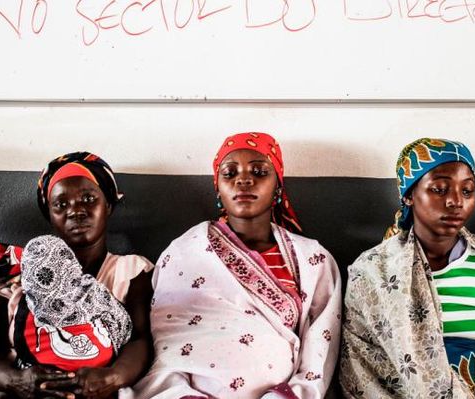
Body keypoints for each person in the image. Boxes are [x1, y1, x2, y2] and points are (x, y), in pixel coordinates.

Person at [128, 132, 341, 399]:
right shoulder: (184, 251)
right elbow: (168, 345)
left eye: (259, 172)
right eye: (230, 173)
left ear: (278, 187)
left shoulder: (313, 259)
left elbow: (320, 348)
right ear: (217, 187)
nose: (244, 180)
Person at [340, 138, 475, 399]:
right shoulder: (372, 270)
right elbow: (363, 367)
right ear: (409, 195)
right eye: (439, 189)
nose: (456, 201)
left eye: (467, 191)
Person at [0, 151, 155, 399]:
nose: (75, 211)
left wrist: (112, 377)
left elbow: (141, 340)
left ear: (108, 206)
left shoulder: (131, 272)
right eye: (61, 204)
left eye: (89, 199)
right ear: (50, 214)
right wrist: (17, 381)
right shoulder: (19, 272)